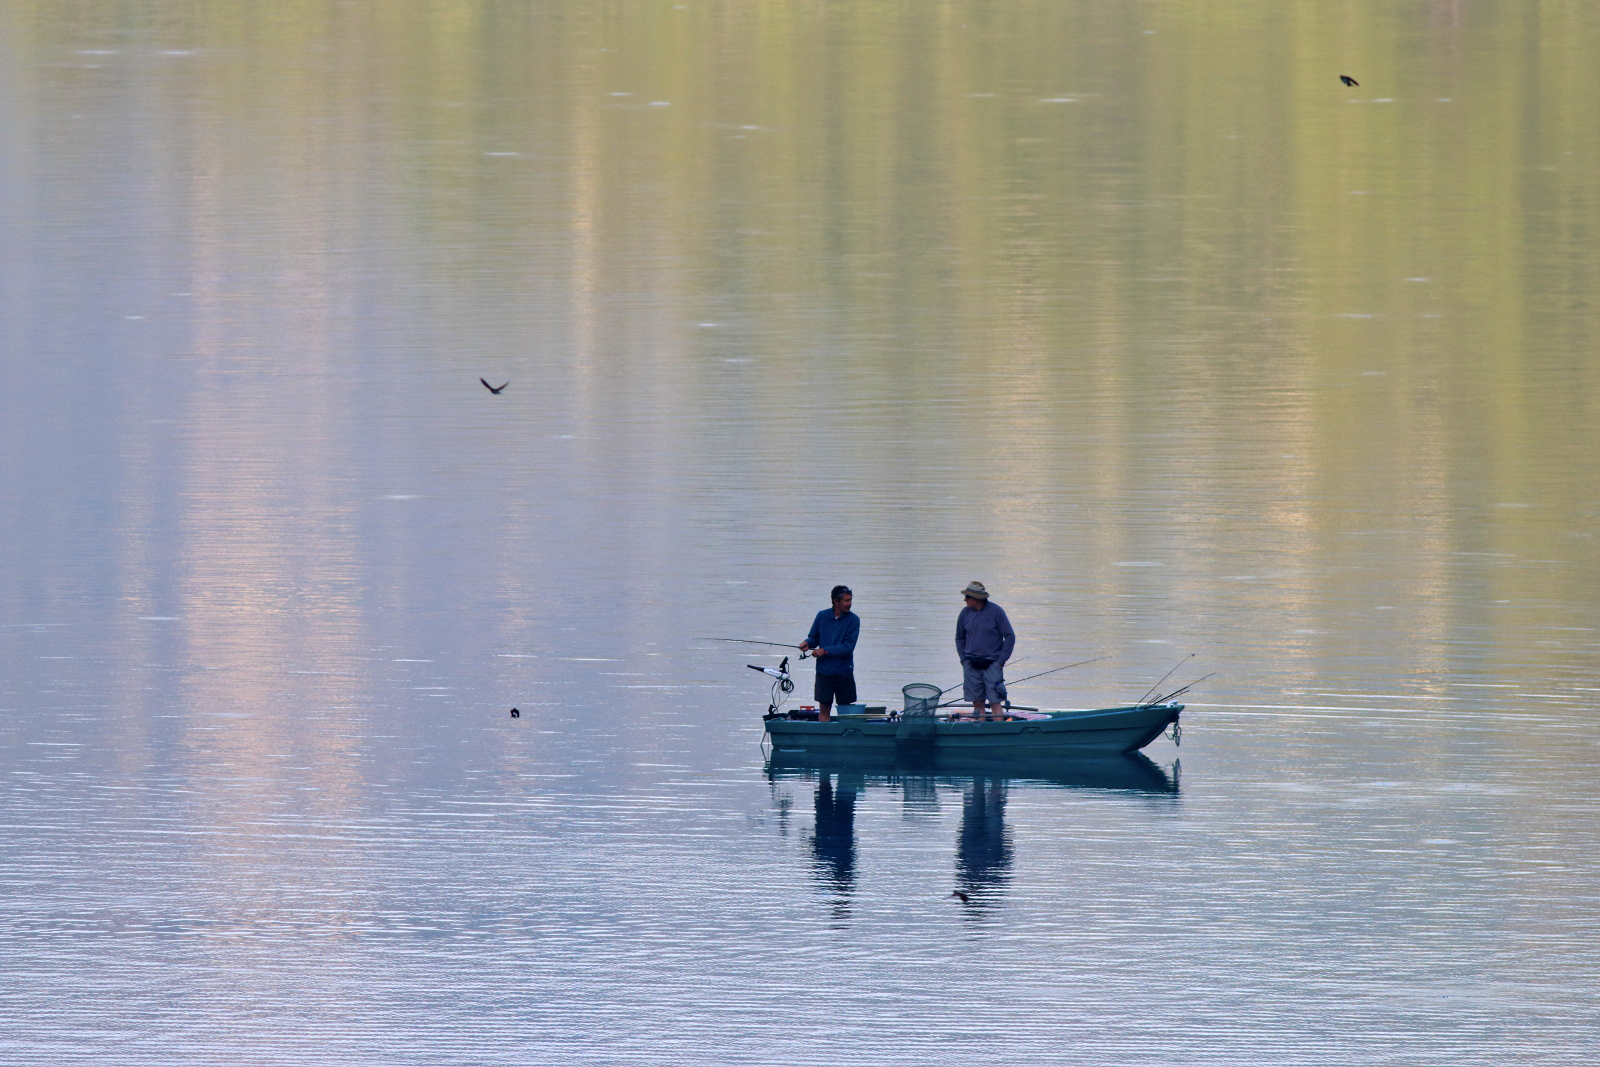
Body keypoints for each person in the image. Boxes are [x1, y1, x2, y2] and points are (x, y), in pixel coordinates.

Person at [955, 580, 1014, 722]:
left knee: (995, 701)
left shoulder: (996, 612)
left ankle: (999, 733)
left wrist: (1000, 662)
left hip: (992, 665)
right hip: (971, 665)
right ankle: (980, 731)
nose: (965, 599)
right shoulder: (964, 614)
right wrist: (963, 659)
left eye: (967, 597)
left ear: (977, 599)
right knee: (977, 702)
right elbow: (959, 638)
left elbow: (1010, 636)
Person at [799, 585, 859, 722]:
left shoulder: (854, 620)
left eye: (850, 600)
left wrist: (825, 651)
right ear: (836, 602)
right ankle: (823, 739)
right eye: (846, 601)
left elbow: (848, 647)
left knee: (846, 712)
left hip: (844, 672)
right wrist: (808, 643)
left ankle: (844, 741)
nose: (849, 604)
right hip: (824, 672)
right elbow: (814, 637)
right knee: (824, 709)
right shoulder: (822, 616)